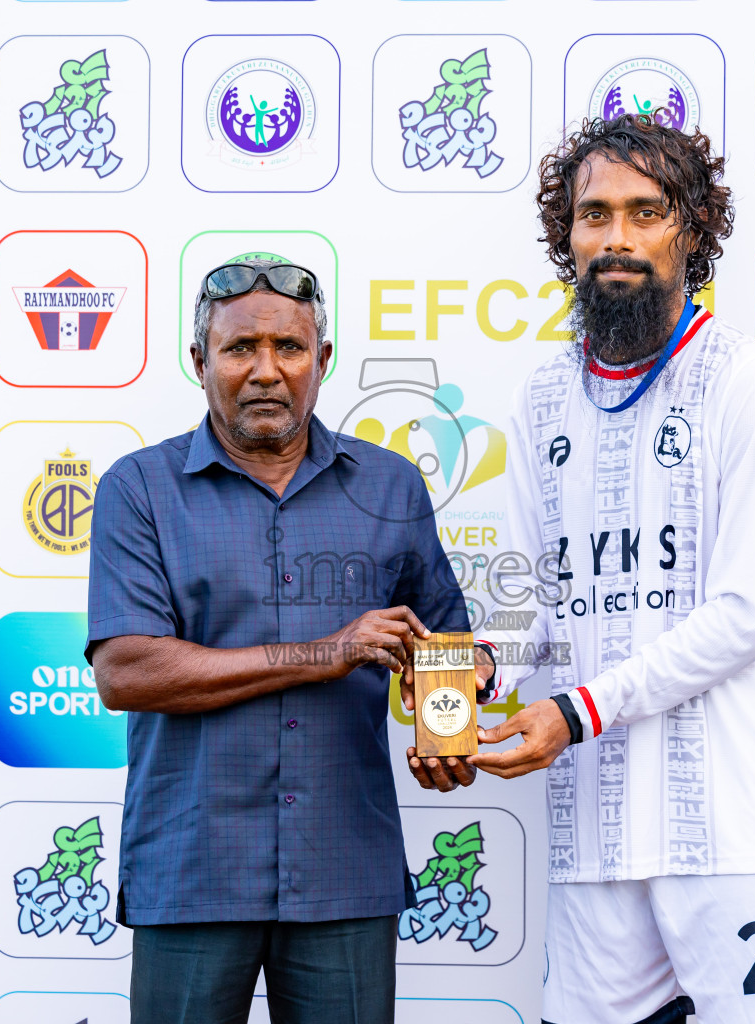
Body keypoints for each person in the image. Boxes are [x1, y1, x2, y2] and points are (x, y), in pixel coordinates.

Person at [459, 114, 755, 1024]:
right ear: (567, 236)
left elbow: (750, 611)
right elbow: (523, 592)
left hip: (735, 831)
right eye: (594, 215)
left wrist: (575, 710)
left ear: (693, 231)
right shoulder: (542, 395)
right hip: (595, 829)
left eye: (646, 212)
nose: (617, 238)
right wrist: (476, 672)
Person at [86, 257, 477, 1024]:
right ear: (200, 362)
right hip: (192, 869)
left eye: (290, 349)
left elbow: (443, 639)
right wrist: (326, 654)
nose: (266, 371)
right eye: (239, 349)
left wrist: (448, 726)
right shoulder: (138, 490)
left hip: (345, 868)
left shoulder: (392, 486)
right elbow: (127, 672)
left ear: (322, 361)